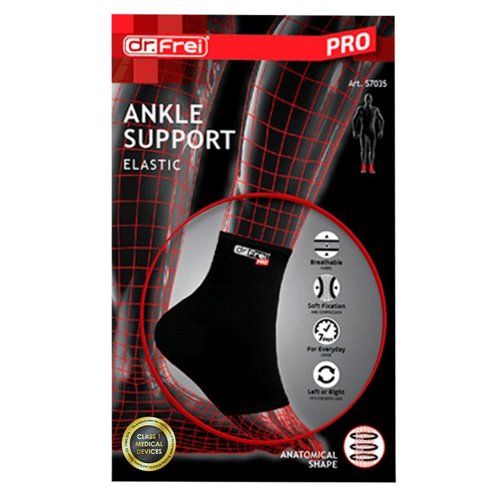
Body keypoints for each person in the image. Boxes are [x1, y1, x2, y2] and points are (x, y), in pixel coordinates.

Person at [352, 93, 385, 174]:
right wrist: (354, 130)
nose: (368, 100)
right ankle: (363, 167)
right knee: (363, 149)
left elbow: (381, 119)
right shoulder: (360, 109)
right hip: (363, 132)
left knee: (372, 150)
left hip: (372, 132)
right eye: (366, 99)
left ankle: (371, 167)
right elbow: (354, 119)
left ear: (371, 100)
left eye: (369, 99)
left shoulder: (375, 109)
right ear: (364, 100)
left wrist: (381, 130)